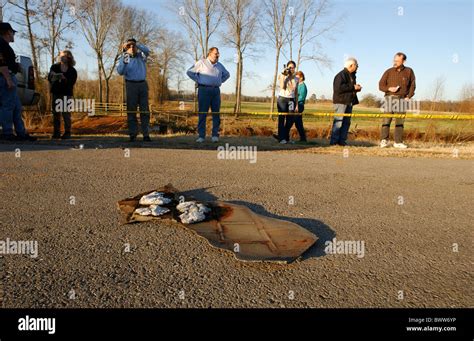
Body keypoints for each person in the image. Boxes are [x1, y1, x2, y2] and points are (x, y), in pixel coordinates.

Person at [0, 22, 37, 141]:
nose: (13, 35)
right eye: (12, 32)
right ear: (7, 32)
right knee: (8, 106)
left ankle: (21, 133)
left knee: (17, 107)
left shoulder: (5, 45)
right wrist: (8, 80)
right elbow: (1, 64)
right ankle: (7, 133)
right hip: (5, 78)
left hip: (9, 77)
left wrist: (16, 65)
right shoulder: (1, 44)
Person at [186, 47, 230, 143]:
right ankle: (201, 136)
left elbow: (227, 74)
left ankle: (215, 135)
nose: (218, 55)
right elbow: (189, 72)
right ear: (210, 54)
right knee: (202, 113)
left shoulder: (220, 65)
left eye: (218, 53)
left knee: (216, 114)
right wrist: (198, 80)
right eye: (216, 53)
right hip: (204, 90)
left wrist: (219, 81)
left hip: (216, 91)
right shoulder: (201, 62)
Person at [378, 52, 416, 149]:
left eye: (397, 61)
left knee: (400, 121)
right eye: (394, 60)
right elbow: (381, 85)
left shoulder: (409, 71)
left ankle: (398, 142)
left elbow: (412, 85)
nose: (395, 62)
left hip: (402, 99)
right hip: (389, 98)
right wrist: (389, 89)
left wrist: (409, 96)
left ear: (404, 61)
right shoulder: (388, 71)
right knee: (386, 119)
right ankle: (384, 141)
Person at [117, 38, 151, 142]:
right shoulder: (125, 57)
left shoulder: (141, 56)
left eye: (133, 46)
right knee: (131, 111)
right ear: (126, 48)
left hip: (142, 84)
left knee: (145, 110)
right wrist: (125, 55)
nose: (131, 48)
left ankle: (146, 134)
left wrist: (136, 45)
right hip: (131, 85)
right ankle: (133, 134)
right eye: (129, 46)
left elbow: (147, 51)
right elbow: (120, 71)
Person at [330, 58, 361, 146]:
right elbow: (338, 88)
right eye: (356, 65)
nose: (357, 67)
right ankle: (334, 142)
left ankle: (342, 141)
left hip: (349, 102)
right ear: (351, 65)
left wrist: (356, 89)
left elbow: (349, 88)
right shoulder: (341, 75)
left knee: (346, 123)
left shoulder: (352, 75)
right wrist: (353, 87)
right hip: (341, 102)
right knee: (339, 122)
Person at [48, 50, 77, 139]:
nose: (61, 57)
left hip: (66, 94)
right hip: (56, 93)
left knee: (66, 114)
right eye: (60, 56)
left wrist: (64, 78)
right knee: (56, 114)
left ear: (69, 58)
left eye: (63, 56)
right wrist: (52, 75)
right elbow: (49, 78)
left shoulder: (72, 70)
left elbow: (71, 83)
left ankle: (67, 133)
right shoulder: (54, 67)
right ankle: (56, 133)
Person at [274, 61, 298, 144]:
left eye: (293, 67)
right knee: (282, 119)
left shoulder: (296, 78)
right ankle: (281, 139)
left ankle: (285, 137)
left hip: (291, 100)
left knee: (290, 120)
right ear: (287, 68)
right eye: (290, 67)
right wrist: (285, 76)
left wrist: (297, 104)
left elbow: (296, 92)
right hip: (283, 99)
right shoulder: (282, 75)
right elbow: (282, 87)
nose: (291, 69)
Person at [284, 70, 307, 142]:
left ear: (301, 77)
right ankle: (303, 139)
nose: (296, 79)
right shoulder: (297, 85)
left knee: (290, 121)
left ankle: (283, 136)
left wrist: (296, 104)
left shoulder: (302, 86)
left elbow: (301, 97)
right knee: (298, 123)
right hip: (293, 104)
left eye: (297, 77)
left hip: (299, 105)